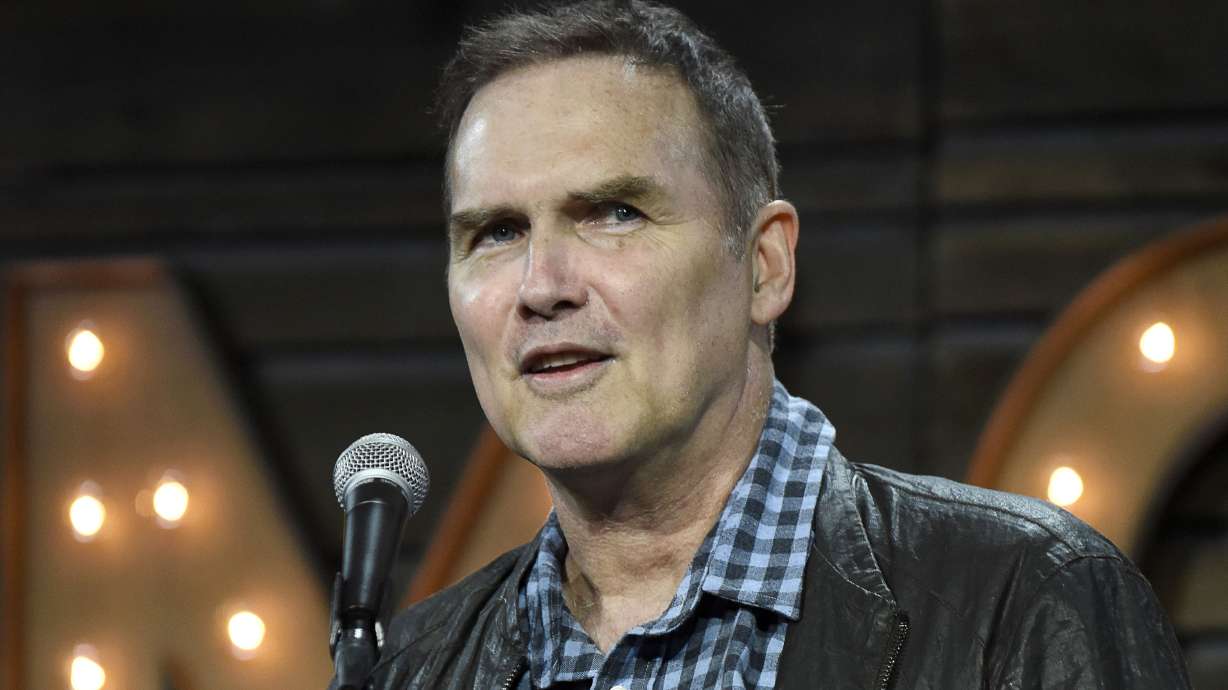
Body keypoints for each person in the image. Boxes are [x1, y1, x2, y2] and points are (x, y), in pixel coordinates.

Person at [360, 1, 1192, 687]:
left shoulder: (1030, 600)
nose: (543, 286)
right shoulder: (410, 668)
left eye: (615, 213)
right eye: (497, 232)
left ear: (764, 266)